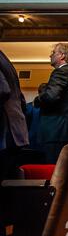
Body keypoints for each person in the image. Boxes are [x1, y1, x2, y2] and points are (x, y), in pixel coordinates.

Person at [38, 43, 68, 164]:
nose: (50, 55)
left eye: (53, 53)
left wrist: (37, 100)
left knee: (54, 171)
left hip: (57, 130)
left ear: (62, 55)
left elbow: (50, 97)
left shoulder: (61, 72)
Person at [0, 50, 29, 180]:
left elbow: (2, 90)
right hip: (15, 131)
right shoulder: (4, 58)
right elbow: (21, 100)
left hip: (4, 132)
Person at [25, 83, 46, 151]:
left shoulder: (28, 106)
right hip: (44, 142)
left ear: (38, 92)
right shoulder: (52, 109)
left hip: (29, 141)